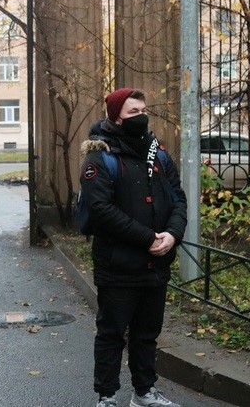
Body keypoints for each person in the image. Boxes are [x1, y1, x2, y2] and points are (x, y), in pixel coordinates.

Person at [79, 88, 187, 407]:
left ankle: (144, 392)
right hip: (118, 266)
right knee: (112, 335)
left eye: (143, 109)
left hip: (157, 265)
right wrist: (148, 238)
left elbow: (178, 198)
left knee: (146, 334)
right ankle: (108, 396)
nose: (141, 116)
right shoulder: (101, 156)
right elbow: (101, 210)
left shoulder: (158, 153)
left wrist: (172, 234)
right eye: (132, 111)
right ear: (115, 117)